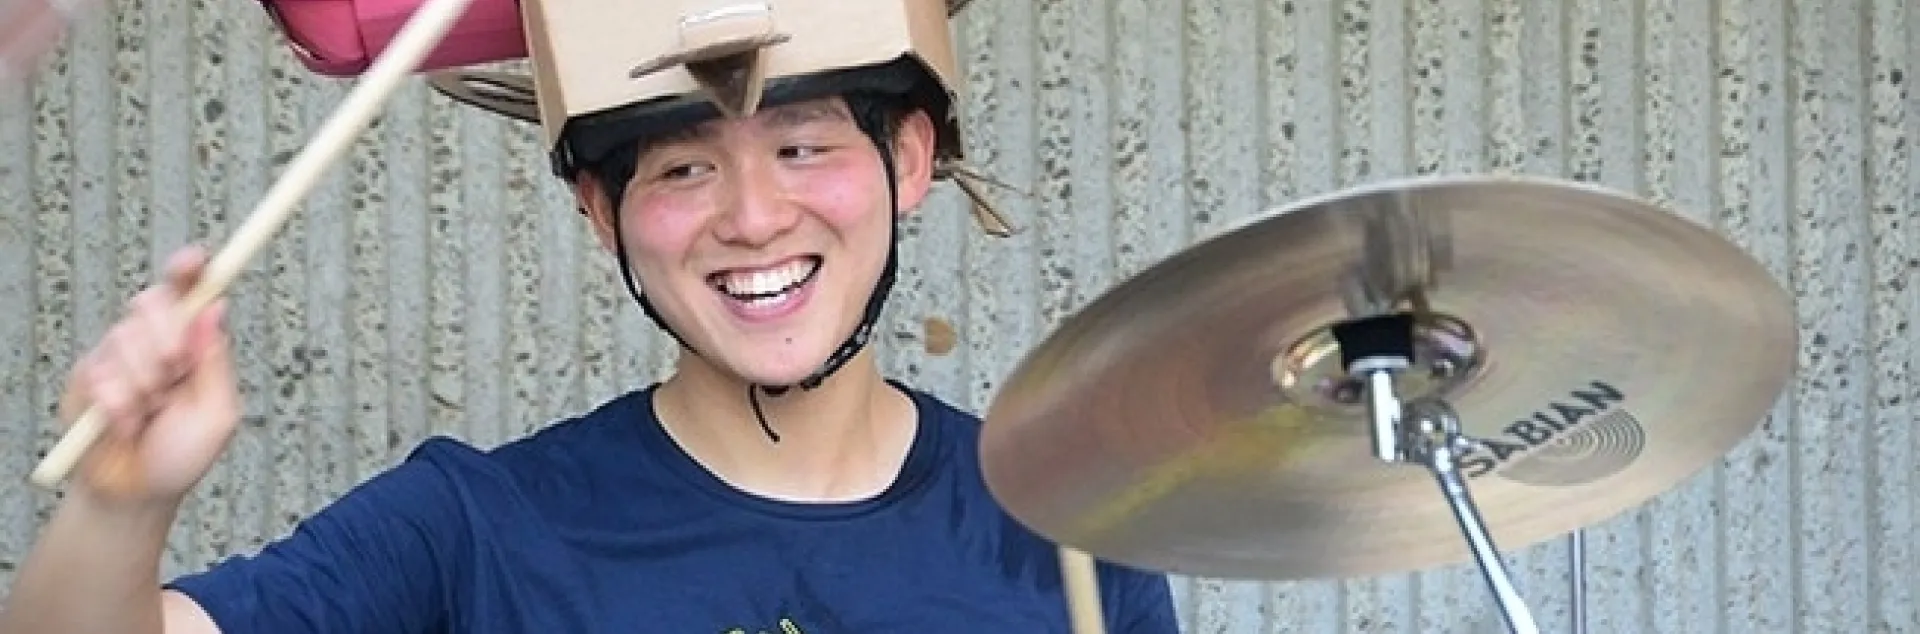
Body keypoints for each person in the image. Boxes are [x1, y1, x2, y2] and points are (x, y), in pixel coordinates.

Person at [0, 0, 1181, 632]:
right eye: (680, 170)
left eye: (806, 145)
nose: (753, 216)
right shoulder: (472, 527)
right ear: (598, 211)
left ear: (908, 158)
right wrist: (124, 497)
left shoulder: (1070, 529)